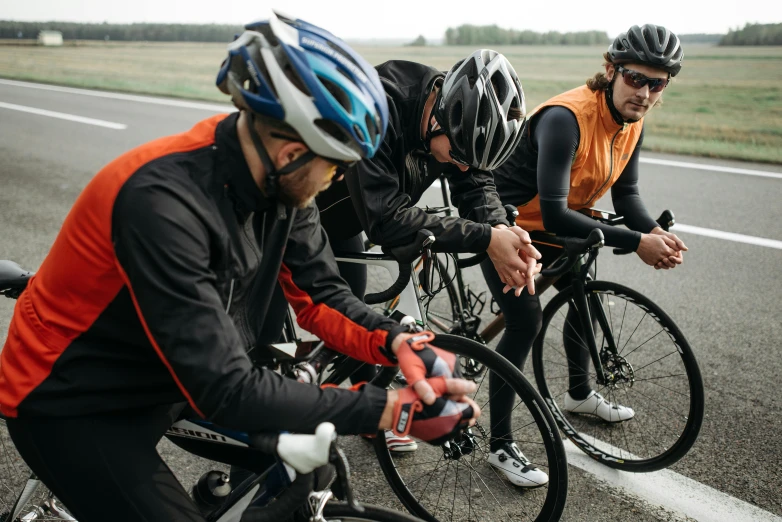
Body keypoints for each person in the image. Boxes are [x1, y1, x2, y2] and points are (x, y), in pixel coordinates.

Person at [0, 12, 479, 522]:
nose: (337, 179)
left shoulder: (282, 184)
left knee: (307, 468)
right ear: (292, 151)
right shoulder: (160, 203)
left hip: (176, 374)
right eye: (335, 165)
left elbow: (321, 296)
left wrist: (400, 342)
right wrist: (390, 410)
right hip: (77, 402)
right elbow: (227, 390)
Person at [314, 49, 547, 477]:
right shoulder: (380, 106)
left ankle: (368, 411)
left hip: (348, 217)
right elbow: (385, 220)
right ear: (440, 116)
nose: (459, 165)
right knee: (286, 341)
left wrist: (502, 231)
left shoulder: (459, 126)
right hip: (303, 212)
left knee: (355, 306)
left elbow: (475, 179)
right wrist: (486, 237)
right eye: (457, 153)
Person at [483, 23, 688, 485]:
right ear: (612, 70)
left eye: (657, 83)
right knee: (525, 323)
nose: (645, 92)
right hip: (511, 224)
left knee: (584, 298)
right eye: (636, 78)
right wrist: (638, 243)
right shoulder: (567, 117)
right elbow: (553, 214)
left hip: (567, 221)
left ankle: (577, 393)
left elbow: (628, 195)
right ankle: (499, 444)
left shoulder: (632, 121)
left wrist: (654, 231)